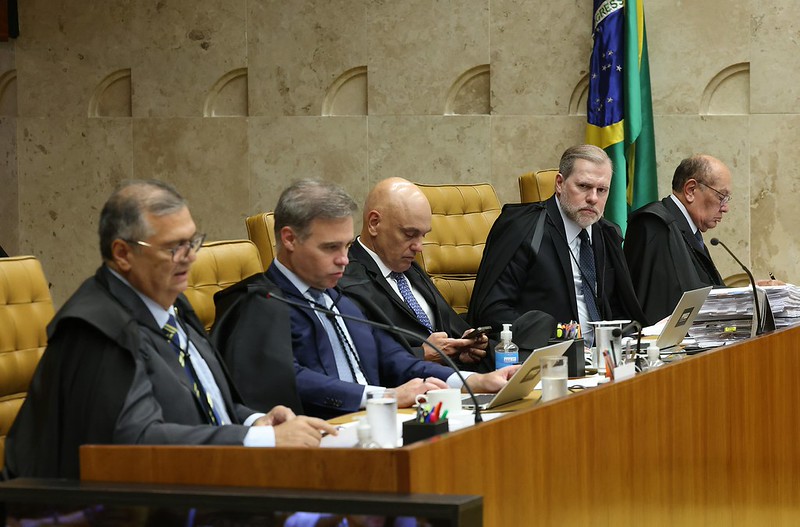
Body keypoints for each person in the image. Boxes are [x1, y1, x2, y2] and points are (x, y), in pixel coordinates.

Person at [4, 180, 335, 479]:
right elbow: (135, 441)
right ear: (123, 254)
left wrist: (254, 420)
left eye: (192, 242)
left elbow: (206, 404)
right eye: (173, 247)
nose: (190, 257)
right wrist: (260, 439)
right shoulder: (97, 330)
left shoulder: (171, 304)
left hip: (206, 482)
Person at [213, 179, 517, 419]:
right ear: (290, 239)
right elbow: (290, 379)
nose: (344, 260)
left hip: (376, 427)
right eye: (330, 248)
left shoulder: (341, 301)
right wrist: (383, 397)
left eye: (346, 246)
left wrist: (473, 382)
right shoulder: (258, 303)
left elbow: (397, 361)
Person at [469, 145, 647, 342]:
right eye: (583, 186)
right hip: (547, 352)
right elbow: (493, 311)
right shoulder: (523, 229)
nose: (593, 198)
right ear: (560, 183)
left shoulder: (607, 233)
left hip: (603, 353)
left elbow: (619, 309)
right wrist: (555, 338)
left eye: (602, 190)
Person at [339, 177, 492, 371]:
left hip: (456, 377)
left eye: (423, 235)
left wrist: (464, 346)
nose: (419, 247)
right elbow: (355, 358)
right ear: (374, 223)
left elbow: (448, 328)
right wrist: (421, 355)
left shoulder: (407, 266)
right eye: (410, 234)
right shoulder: (347, 280)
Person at [624, 155, 731, 322]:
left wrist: (752, 293)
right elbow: (674, 298)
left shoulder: (688, 231)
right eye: (721, 197)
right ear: (690, 190)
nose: (725, 208)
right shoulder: (655, 224)